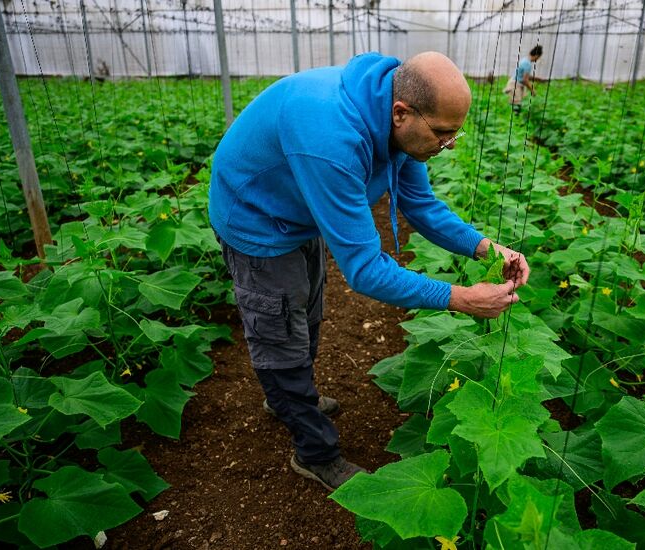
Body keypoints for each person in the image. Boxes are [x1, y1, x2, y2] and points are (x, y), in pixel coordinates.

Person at [208, 51, 530, 491]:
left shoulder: (398, 121)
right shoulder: (332, 139)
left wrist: (486, 247)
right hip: (254, 217)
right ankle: (314, 451)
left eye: (455, 134)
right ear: (401, 113)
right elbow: (363, 270)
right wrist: (461, 298)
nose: (447, 144)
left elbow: (421, 206)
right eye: (443, 134)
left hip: (300, 212)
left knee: (307, 312)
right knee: (279, 330)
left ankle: (288, 396)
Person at [503, 45, 543, 114]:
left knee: (514, 105)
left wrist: (536, 79)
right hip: (515, 85)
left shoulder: (525, 60)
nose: (538, 59)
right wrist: (532, 90)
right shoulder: (528, 64)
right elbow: (525, 80)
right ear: (536, 56)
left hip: (514, 83)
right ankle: (515, 123)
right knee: (516, 106)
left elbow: (522, 75)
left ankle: (514, 121)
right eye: (539, 57)